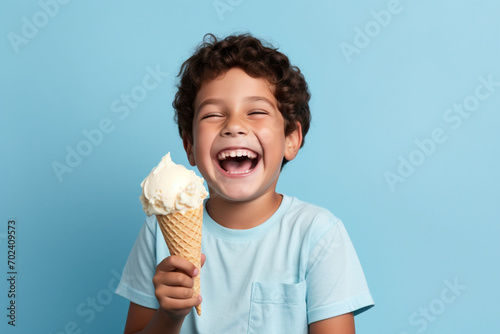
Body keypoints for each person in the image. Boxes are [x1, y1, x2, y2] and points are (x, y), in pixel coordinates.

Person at [116, 33, 374, 334]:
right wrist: (170, 316)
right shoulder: (157, 232)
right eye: (213, 114)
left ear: (291, 139)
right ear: (189, 146)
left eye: (256, 112)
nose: (234, 126)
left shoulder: (318, 234)